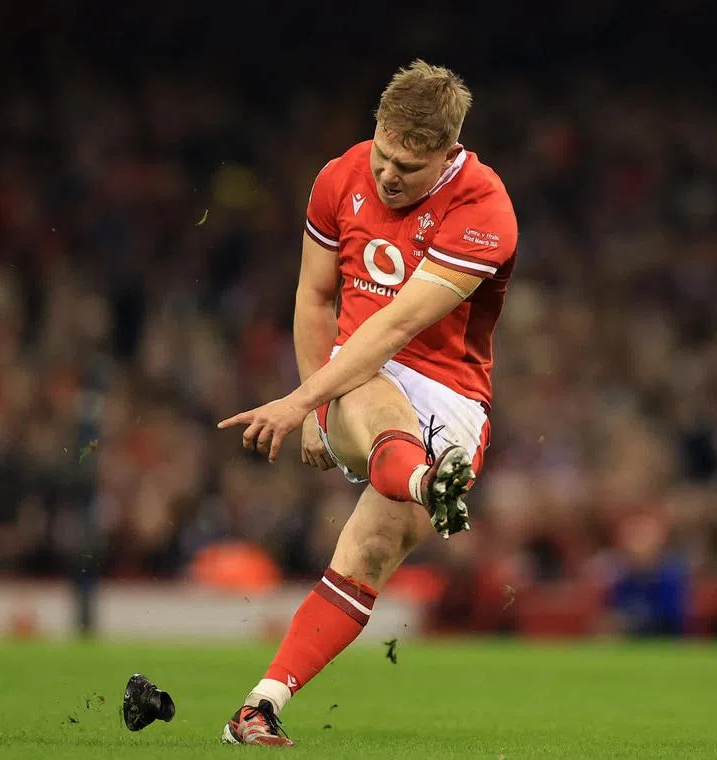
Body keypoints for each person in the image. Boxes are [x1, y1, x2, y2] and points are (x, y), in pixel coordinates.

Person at [216, 60, 518, 746]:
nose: (388, 175)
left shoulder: (484, 209)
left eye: (409, 168)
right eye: (384, 155)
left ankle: (259, 706)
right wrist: (317, 400)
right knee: (370, 384)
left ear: (449, 153)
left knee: (370, 553)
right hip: (353, 375)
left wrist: (298, 403)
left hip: (449, 393)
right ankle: (425, 482)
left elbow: (397, 327)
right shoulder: (338, 178)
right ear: (376, 132)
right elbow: (316, 295)